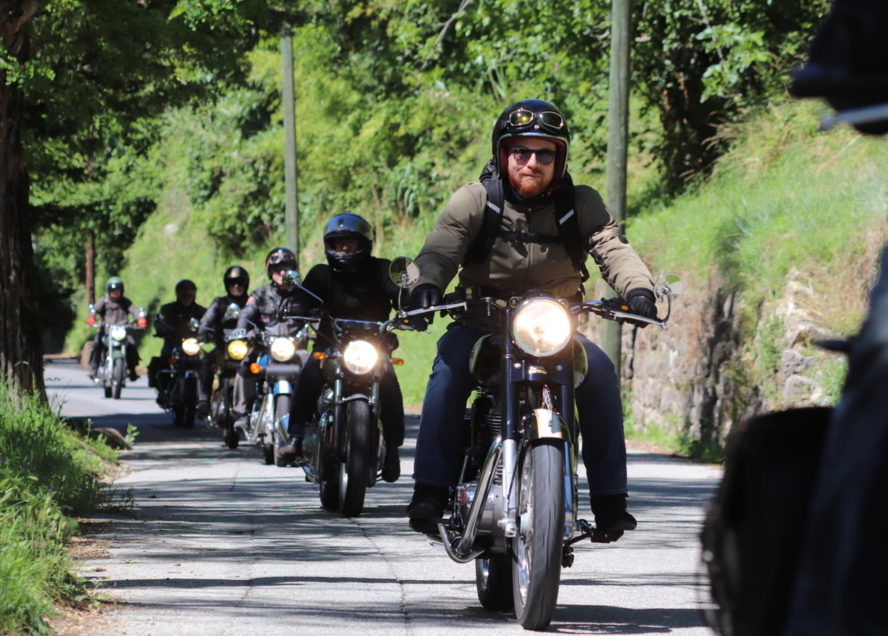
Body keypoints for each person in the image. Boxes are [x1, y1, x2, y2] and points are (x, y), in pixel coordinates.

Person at [406, 99, 658, 536]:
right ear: (503, 154)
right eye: (521, 151)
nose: (532, 162)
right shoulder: (476, 200)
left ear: (559, 160)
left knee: (598, 373)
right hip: (482, 324)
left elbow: (611, 246)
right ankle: (429, 490)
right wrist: (424, 284)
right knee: (447, 370)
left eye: (545, 154)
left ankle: (610, 499)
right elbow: (441, 247)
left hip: (554, 331)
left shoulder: (579, 203)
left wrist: (638, 289)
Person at [276, 213, 404, 482]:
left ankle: (392, 449)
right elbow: (304, 293)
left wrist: (413, 304)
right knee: (310, 373)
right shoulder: (321, 274)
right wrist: (296, 305)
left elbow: (399, 293)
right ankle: (297, 437)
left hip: (373, 347)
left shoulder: (381, 269)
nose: (344, 249)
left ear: (364, 244)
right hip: (331, 344)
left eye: (350, 243)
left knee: (390, 384)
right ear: (329, 246)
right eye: (338, 244)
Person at [232, 247, 311, 427]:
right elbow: (246, 314)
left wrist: (316, 329)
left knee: (316, 367)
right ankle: (242, 412)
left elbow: (315, 316)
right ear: (270, 271)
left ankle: (314, 412)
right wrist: (240, 330)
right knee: (245, 366)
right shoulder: (260, 294)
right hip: (266, 348)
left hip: (297, 350)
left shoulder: (304, 294)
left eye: (287, 268)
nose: (282, 272)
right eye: (278, 269)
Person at [196, 266, 251, 417]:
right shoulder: (219, 303)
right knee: (206, 361)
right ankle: (203, 400)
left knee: (260, 367)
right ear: (227, 284)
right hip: (223, 347)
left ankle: (259, 403)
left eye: (240, 282)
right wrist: (203, 333)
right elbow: (206, 321)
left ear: (245, 284)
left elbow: (263, 320)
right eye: (232, 283)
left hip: (247, 347)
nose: (236, 286)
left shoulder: (251, 302)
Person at [151, 279, 207, 405]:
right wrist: (161, 329)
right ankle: (163, 391)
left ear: (194, 295)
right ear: (177, 295)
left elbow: (208, 323)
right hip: (173, 344)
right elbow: (160, 322)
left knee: (206, 364)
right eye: (183, 295)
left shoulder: (201, 311)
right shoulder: (168, 309)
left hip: (193, 345)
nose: (186, 298)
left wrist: (209, 332)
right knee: (164, 360)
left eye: (189, 295)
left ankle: (204, 396)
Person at [88, 276, 144, 381]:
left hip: (122, 331)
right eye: (113, 290)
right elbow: (94, 309)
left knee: (131, 344)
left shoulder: (126, 302)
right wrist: (91, 317)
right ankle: (94, 368)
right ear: (109, 290)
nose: (115, 293)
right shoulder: (104, 301)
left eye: (117, 290)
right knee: (96, 343)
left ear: (122, 290)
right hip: (106, 330)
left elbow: (135, 310)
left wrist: (140, 318)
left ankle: (132, 369)